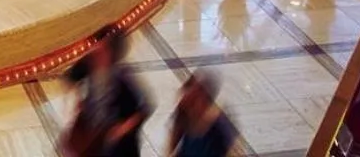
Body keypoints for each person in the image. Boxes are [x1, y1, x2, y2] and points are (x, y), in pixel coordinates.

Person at [62, 24, 149, 157]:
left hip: (118, 146)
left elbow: (144, 109)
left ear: (111, 53)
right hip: (94, 137)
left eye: (102, 49)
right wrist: (79, 100)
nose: (96, 50)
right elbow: (70, 77)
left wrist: (121, 129)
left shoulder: (123, 79)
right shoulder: (89, 65)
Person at [168, 71, 237, 157]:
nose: (185, 97)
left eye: (195, 97)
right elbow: (173, 144)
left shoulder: (221, 130)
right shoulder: (183, 112)